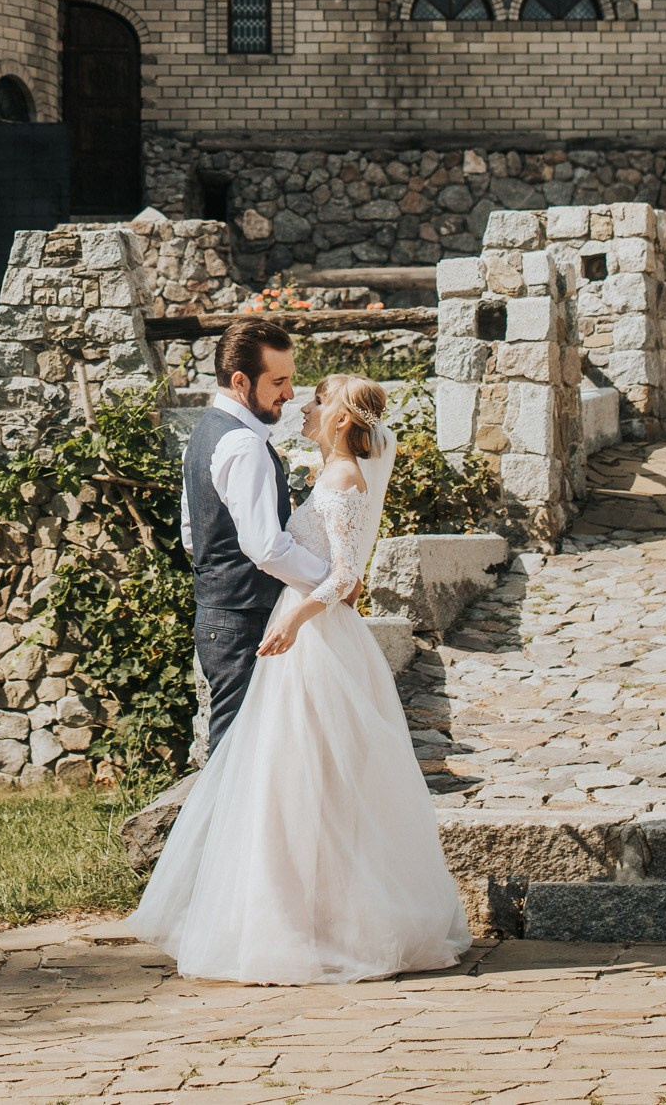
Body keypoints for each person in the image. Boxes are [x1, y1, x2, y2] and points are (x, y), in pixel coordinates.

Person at [132, 370, 471, 985]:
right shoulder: (332, 472)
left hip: (312, 636)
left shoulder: (343, 478)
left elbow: (345, 577)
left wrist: (295, 622)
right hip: (306, 627)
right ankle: (306, 916)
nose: (303, 406)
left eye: (317, 399)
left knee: (304, 778)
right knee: (296, 779)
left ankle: (316, 923)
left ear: (343, 420)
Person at [179, 316, 336, 754]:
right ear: (240, 380)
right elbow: (266, 547)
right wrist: (329, 579)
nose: (289, 393)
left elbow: (192, 532)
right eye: (279, 381)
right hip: (245, 618)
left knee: (244, 748)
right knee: (237, 751)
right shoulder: (244, 445)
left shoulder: (205, 431)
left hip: (221, 613)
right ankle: (219, 825)